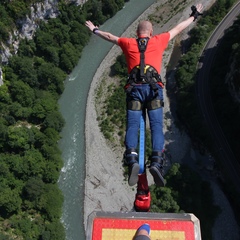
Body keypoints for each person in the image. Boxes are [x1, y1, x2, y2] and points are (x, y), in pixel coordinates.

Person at [85, 4, 203, 187]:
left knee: (133, 125)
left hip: (135, 90)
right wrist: (194, 16)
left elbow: (109, 37)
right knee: (156, 126)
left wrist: (95, 30)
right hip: (154, 89)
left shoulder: (128, 43)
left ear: (137, 33)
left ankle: (132, 158)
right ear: (151, 32)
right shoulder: (159, 40)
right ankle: (156, 161)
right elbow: (178, 28)